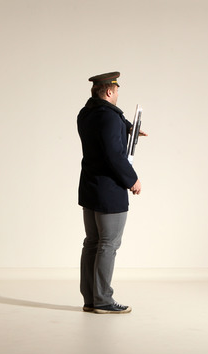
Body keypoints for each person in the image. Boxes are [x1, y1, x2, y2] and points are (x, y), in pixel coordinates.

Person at [77, 71, 145, 314]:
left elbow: (103, 129)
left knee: (92, 243)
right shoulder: (108, 117)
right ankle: (104, 300)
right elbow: (113, 155)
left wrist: (127, 127)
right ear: (109, 91)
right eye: (116, 91)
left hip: (90, 188)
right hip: (109, 190)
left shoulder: (86, 114)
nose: (117, 95)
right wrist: (132, 179)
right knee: (108, 244)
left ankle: (91, 299)